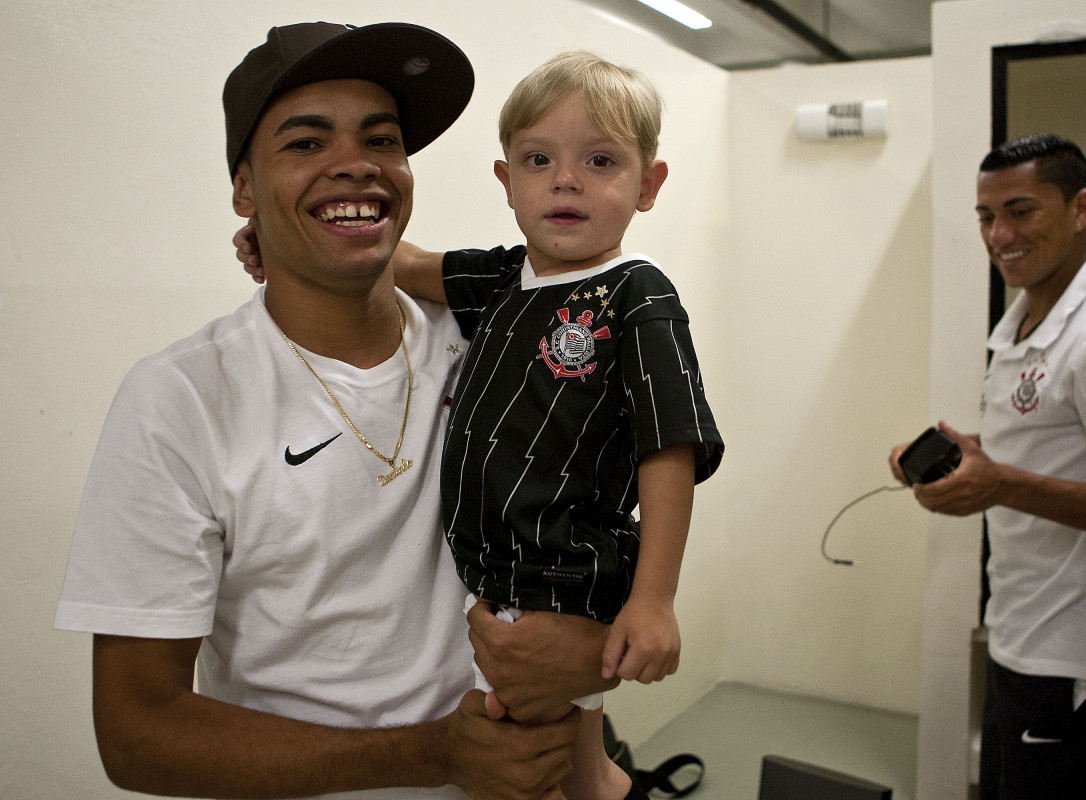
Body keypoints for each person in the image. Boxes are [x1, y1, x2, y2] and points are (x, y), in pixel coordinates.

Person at [55, 22, 621, 800]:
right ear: (245, 190)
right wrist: (434, 757)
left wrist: (594, 645)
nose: (356, 164)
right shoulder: (180, 399)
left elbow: (614, 486)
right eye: (305, 144)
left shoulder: (494, 339)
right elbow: (137, 733)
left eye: (381, 140)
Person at [238, 50, 723, 800]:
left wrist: (653, 600)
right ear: (507, 182)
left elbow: (671, 446)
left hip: (566, 569)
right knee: (534, 764)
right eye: (538, 159)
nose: (566, 180)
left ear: (648, 185)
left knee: (557, 772)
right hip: (488, 575)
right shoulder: (502, 279)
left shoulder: (638, 296)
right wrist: (283, 236)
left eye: (599, 161)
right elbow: (404, 261)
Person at [888, 133, 1086, 799]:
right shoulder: (1026, 318)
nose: (1000, 235)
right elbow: (1045, 440)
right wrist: (967, 456)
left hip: (1085, 652)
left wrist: (999, 481)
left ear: (1080, 207)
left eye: (1022, 211)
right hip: (1026, 629)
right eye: (985, 217)